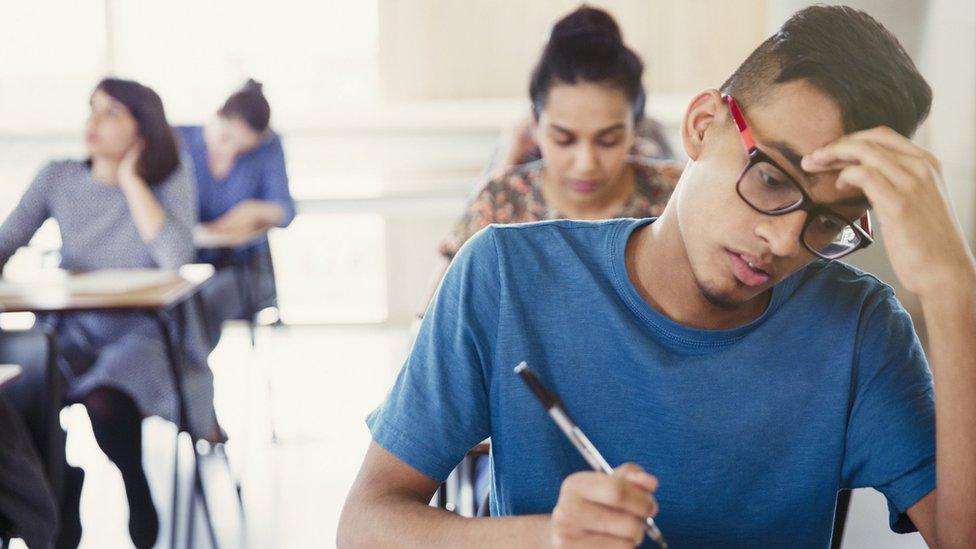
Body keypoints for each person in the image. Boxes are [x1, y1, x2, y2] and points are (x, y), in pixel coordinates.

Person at [339, 5, 976, 548]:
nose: (784, 241)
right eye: (773, 179)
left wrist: (954, 290)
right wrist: (546, 536)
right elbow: (364, 524)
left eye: (828, 220)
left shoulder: (860, 329)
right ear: (703, 126)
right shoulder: (503, 275)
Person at [0, 78, 215, 549]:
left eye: (112, 113)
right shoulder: (57, 176)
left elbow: (174, 256)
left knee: (105, 402)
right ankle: (58, 489)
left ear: (143, 128)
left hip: (144, 335)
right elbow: (6, 241)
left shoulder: (169, 177)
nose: (94, 122)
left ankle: (135, 487)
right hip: (68, 331)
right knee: (22, 395)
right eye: (92, 109)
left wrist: (132, 180)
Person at [435, 6, 680, 289]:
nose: (586, 163)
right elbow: (429, 321)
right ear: (535, 126)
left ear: (635, 129)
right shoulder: (501, 199)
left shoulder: (674, 197)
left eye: (608, 140)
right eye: (564, 140)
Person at [177, 79, 295, 345]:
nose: (230, 152)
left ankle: (188, 377)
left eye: (242, 149)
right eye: (226, 139)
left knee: (203, 301)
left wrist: (251, 210)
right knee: (175, 303)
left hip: (245, 270)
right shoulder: (180, 140)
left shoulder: (268, 147)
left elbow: (285, 210)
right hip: (187, 265)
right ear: (217, 117)